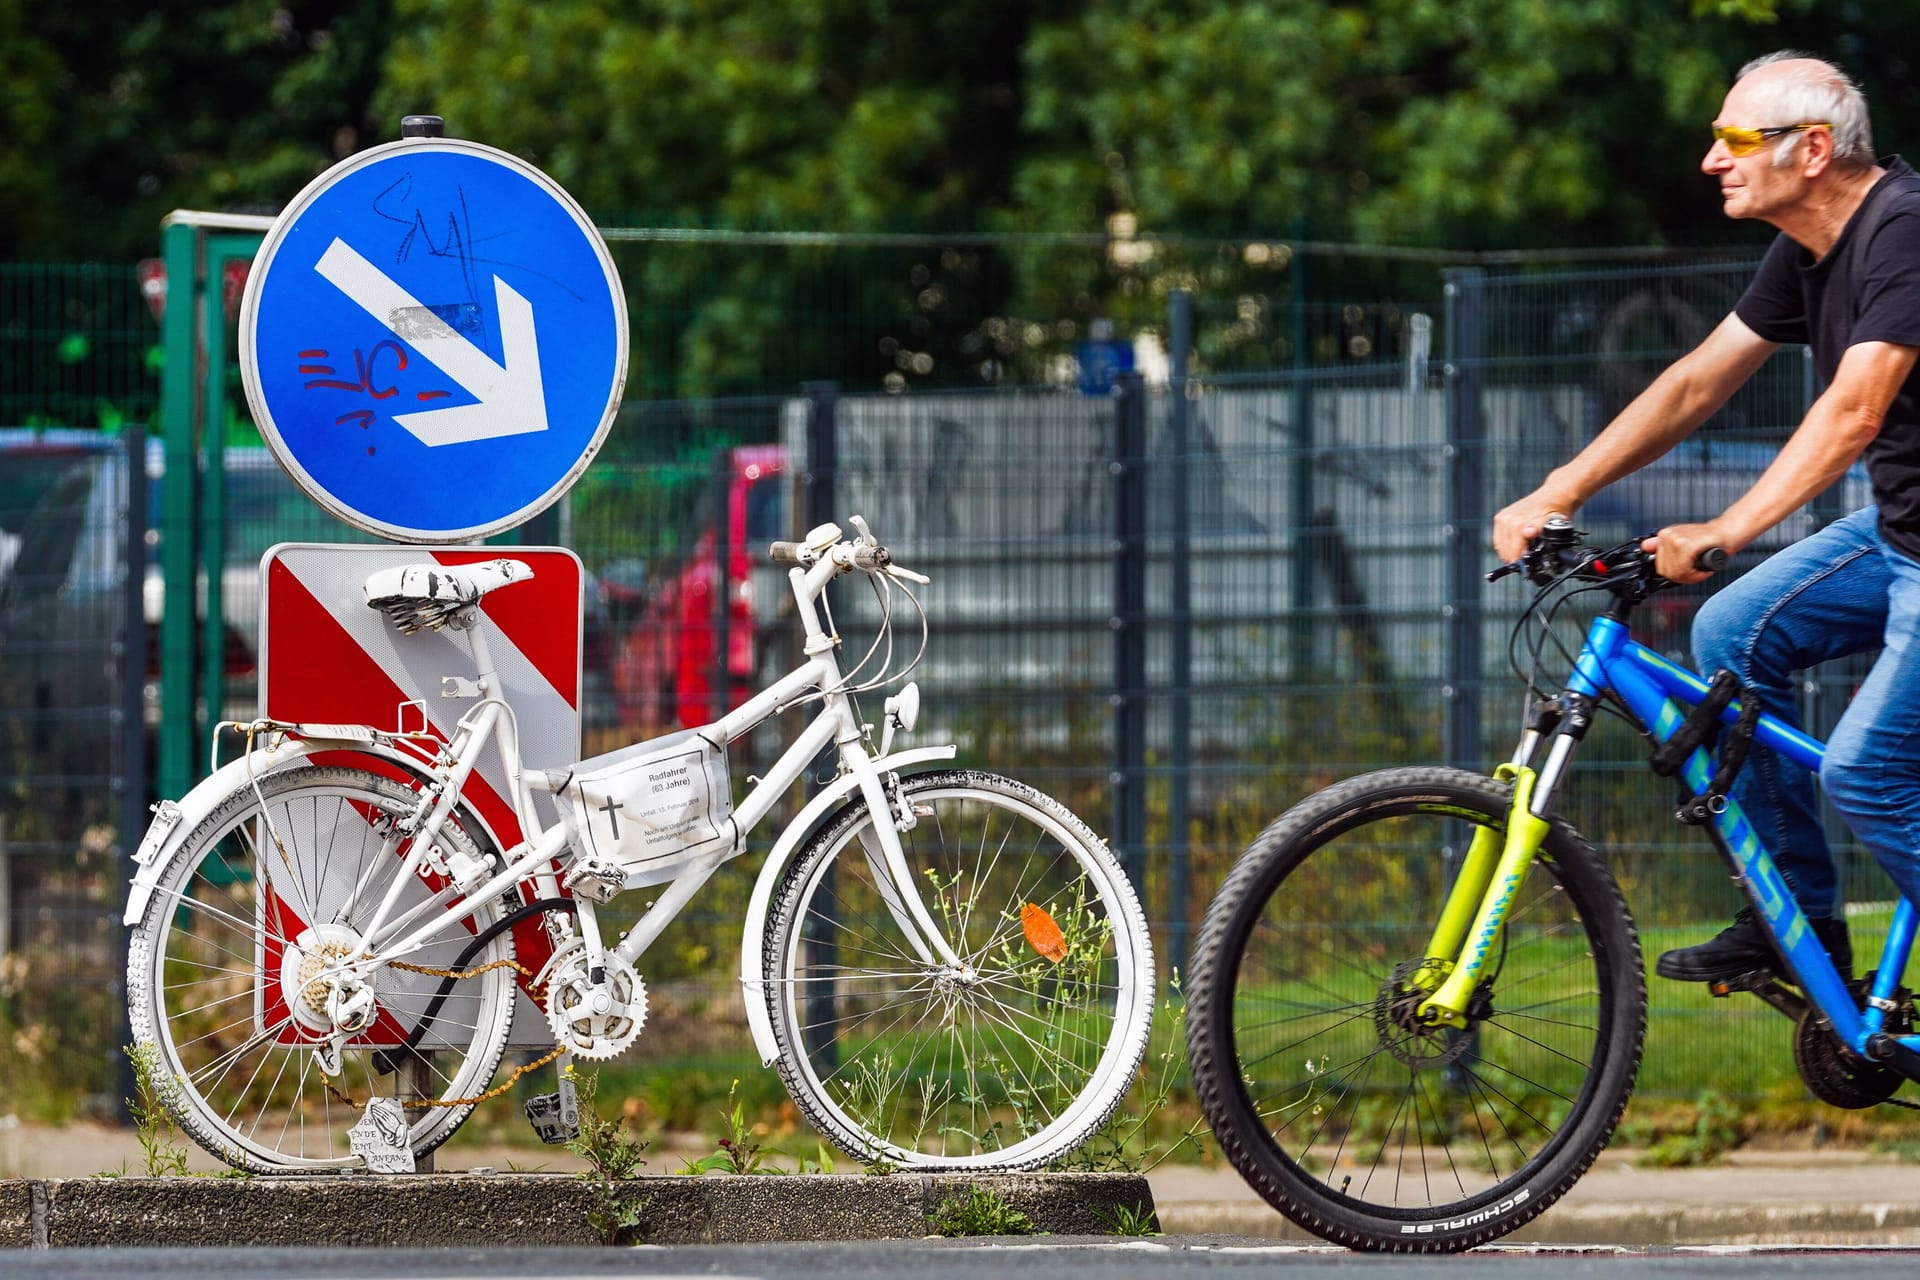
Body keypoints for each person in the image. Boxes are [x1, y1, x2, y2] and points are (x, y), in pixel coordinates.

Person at [1493, 51, 1920, 986]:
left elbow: (1856, 412)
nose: (1711, 160)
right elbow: (1694, 382)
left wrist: (1727, 530)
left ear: (1813, 150)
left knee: (1865, 775)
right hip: (1900, 534)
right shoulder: (1810, 249)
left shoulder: (1906, 230)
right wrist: (1559, 488)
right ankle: (1797, 924)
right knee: (1731, 630)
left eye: (1735, 139)